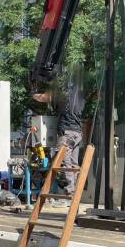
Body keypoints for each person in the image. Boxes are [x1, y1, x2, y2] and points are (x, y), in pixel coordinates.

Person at [32, 71, 85, 199]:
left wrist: (33, 91)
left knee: (61, 160)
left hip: (67, 133)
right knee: (73, 163)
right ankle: (75, 189)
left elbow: (42, 97)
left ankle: (70, 190)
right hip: (77, 134)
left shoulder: (63, 96)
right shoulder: (80, 98)